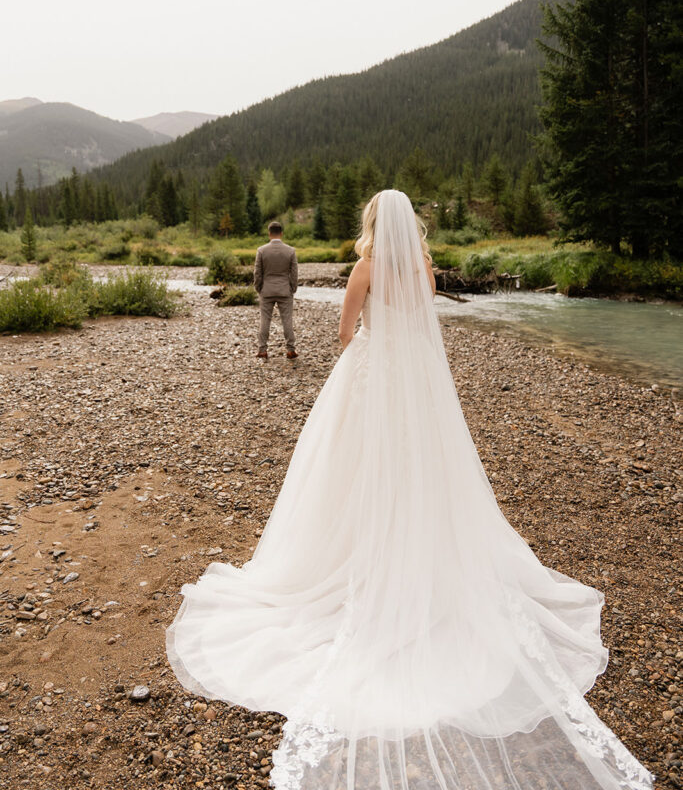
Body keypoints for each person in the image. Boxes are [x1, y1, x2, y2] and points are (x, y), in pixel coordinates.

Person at [166, 190, 653, 790]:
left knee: (352, 472)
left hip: (375, 380)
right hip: (417, 382)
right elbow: (424, 325)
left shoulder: (366, 267)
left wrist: (371, 354)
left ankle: (356, 556)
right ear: (410, 226)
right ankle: (421, 550)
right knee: (423, 468)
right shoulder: (421, 266)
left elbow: (348, 333)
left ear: (373, 223)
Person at [253, 220, 298, 360]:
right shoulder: (291, 251)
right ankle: (290, 350)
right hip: (285, 290)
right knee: (287, 320)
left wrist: (258, 288)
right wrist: (292, 288)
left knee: (265, 320)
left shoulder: (261, 250)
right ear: (281, 233)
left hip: (266, 290)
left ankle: (262, 350)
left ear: (269, 233)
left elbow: (257, 272)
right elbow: (294, 273)